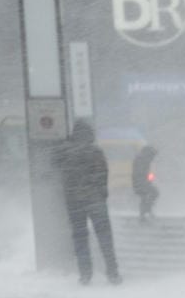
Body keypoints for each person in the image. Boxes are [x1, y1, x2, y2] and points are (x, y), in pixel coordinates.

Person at [58, 120, 121, 285]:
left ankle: (85, 274)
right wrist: (101, 194)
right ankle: (112, 272)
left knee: (80, 237)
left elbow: (60, 173)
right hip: (95, 201)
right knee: (105, 237)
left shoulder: (66, 152)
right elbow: (102, 175)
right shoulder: (95, 151)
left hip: (74, 202)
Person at [132, 144, 160, 224]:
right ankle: (144, 214)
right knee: (149, 195)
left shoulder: (143, 160)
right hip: (140, 182)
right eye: (152, 156)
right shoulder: (141, 160)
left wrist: (149, 179)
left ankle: (146, 212)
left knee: (148, 196)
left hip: (142, 182)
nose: (153, 158)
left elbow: (146, 173)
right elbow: (141, 173)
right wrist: (146, 180)